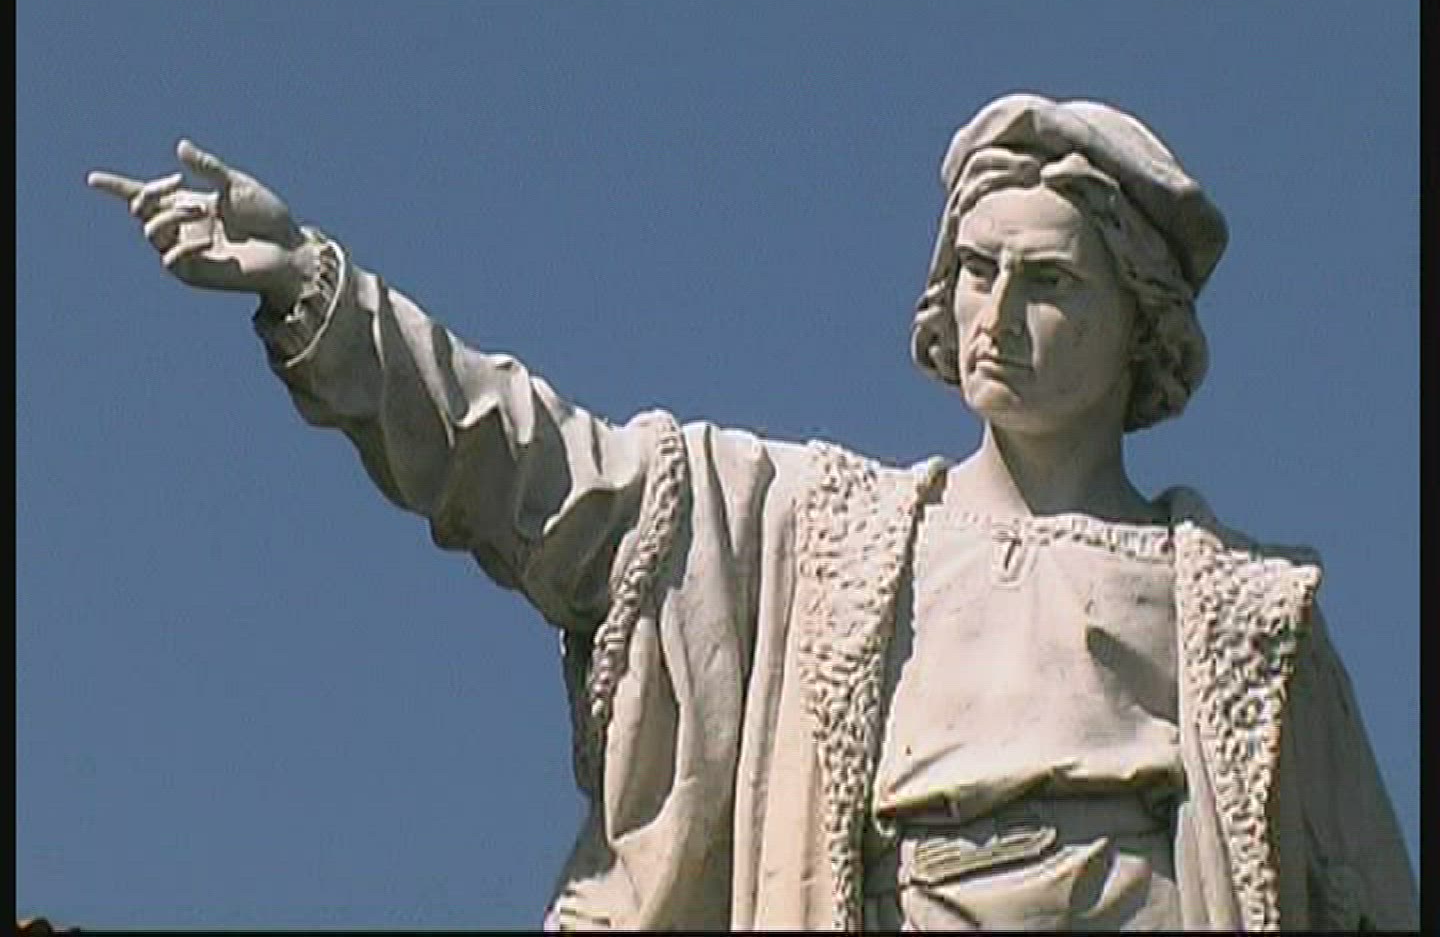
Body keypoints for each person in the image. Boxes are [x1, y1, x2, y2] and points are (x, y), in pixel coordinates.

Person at [88, 94, 1416, 930]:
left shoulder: (1247, 620)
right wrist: (320, 296)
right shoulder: (802, 535)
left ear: (1143, 324)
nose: (999, 315)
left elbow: (1363, 898)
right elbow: (533, 470)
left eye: (1051, 282)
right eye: (975, 271)